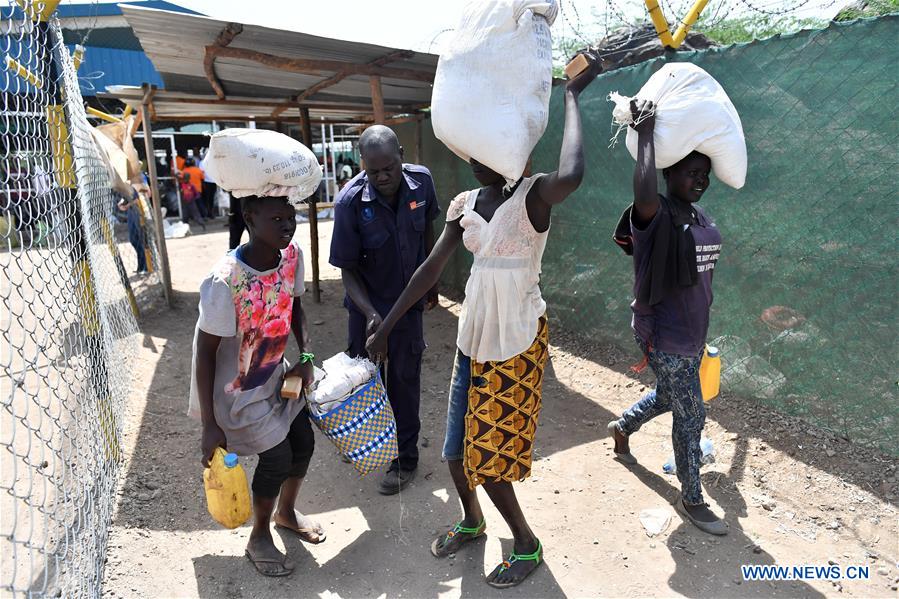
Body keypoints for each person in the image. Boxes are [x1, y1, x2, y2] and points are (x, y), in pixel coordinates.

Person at [365, 55, 600, 588]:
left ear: (512, 150)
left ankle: (526, 544)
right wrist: (387, 326)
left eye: (487, 149)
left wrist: (571, 96)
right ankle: (472, 522)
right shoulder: (466, 202)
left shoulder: (534, 195)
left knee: (489, 459)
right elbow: (429, 269)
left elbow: (573, 174)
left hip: (516, 342)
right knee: (455, 451)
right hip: (473, 340)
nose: (475, 160)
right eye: (472, 149)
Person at [606, 99, 727, 535]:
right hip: (664, 333)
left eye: (704, 175)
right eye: (691, 173)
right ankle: (692, 498)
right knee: (691, 415)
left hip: (693, 332)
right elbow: (642, 191)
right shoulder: (655, 214)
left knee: (667, 397)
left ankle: (622, 427)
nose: (700, 180)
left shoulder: (699, 215)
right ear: (669, 173)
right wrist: (645, 132)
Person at [190, 194, 326, 577]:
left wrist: (306, 355)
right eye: (276, 218)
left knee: (303, 442)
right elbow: (204, 352)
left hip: (274, 375)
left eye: (291, 216)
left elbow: (295, 306)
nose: (287, 225)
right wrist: (209, 424)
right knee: (278, 457)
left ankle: (286, 513)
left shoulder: (291, 256)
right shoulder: (225, 280)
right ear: (249, 217)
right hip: (235, 393)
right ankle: (259, 535)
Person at [329, 125, 440, 495]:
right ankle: (367, 444)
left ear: (401, 155)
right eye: (373, 170)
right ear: (362, 163)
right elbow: (347, 270)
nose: (382, 177)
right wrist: (370, 313)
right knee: (363, 383)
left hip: (408, 307)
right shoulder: (349, 203)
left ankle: (405, 459)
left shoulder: (422, 183)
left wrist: (432, 281)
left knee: (405, 383)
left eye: (389, 168)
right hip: (368, 311)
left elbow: (428, 232)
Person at [117, 187, 148, 274]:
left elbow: (138, 199)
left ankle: (145, 266)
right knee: (134, 240)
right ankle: (141, 266)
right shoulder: (124, 185)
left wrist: (127, 205)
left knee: (141, 240)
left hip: (138, 212)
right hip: (131, 213)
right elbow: (126, 197)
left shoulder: (134, 183)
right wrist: (121, 203)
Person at [179, 159, 206, 230]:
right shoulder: (197, 170)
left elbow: (179, 177)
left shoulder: (184, 171)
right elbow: (203, 178)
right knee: (198, 207)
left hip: (190, 199)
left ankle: (200, 222)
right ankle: (203, 217)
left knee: (190, 212)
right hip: (197, 191)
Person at [199, 149, 218, 218]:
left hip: (213, 182)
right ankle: (207, 213)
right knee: (207, 198)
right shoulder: (202, 163)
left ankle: (210, 213)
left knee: (211, 198)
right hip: (206, 182)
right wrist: (202, 183)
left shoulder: (214, 162)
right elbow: (201, 173)